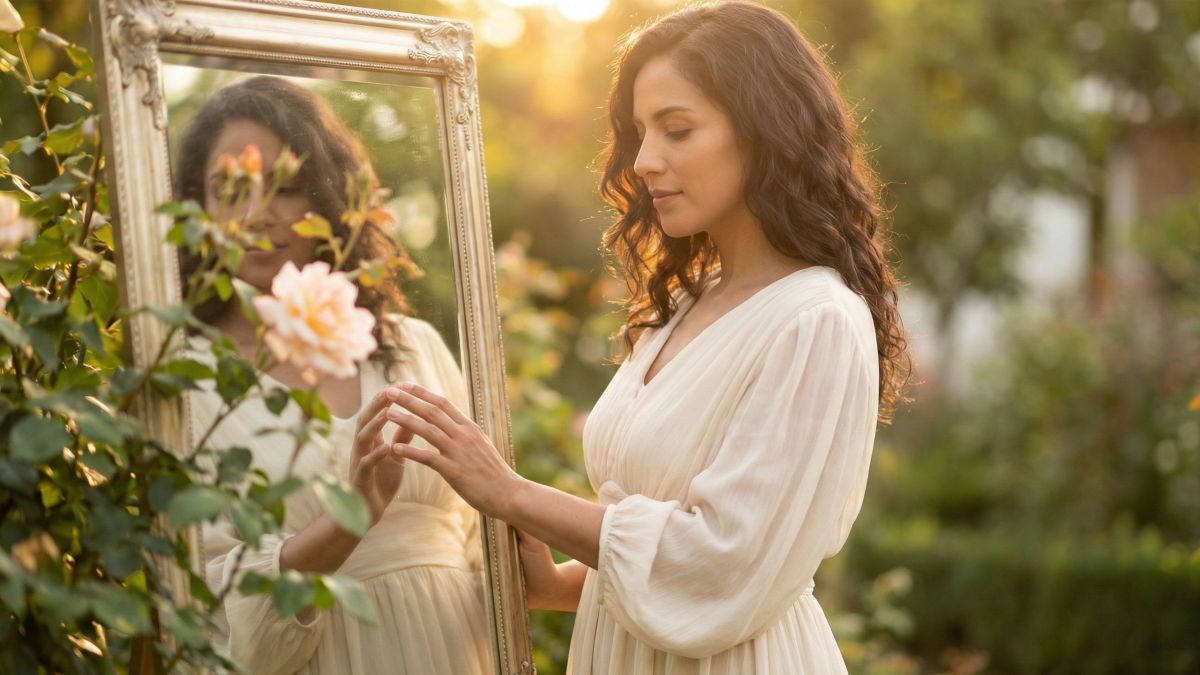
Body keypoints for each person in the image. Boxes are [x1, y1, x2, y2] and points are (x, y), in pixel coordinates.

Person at [385, 2, 910, 674]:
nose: (645, 160)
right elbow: (660, 563)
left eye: (677, 129)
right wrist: (554, 584)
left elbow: (722, 566)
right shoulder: (687, 304)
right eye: (639, 133)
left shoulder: (815, 320)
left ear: (765, 131)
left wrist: (513, 493)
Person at [174, 75, 493, 675]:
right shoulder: (187, 381)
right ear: (198, 204)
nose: (257, 214)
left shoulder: (409, 348)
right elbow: (204, 606)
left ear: (324, 197)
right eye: (229, 188)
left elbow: (487, 543)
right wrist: (349, 521)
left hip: (456, 647)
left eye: (286, 188)